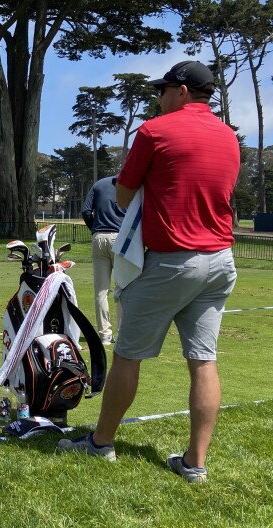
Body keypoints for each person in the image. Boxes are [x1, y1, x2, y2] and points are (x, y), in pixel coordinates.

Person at [57, 61, 239, 484]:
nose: (157, 99)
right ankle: (195, 464)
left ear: (179, 91)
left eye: (162, 91)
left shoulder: (156, 131)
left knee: (128, 355)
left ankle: (101, 443)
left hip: (170, 261)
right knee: (204, 361)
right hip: (220, 261)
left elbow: (122, 193)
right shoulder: (230, 138)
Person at [82, 176, 125, 345]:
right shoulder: (131, 186)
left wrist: (94, 228)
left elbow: (86, 211)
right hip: (121, 239)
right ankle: (122, 334)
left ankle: (105, 335)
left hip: (99, 237)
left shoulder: (98, 184)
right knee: (123, 288)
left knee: (101, 291)